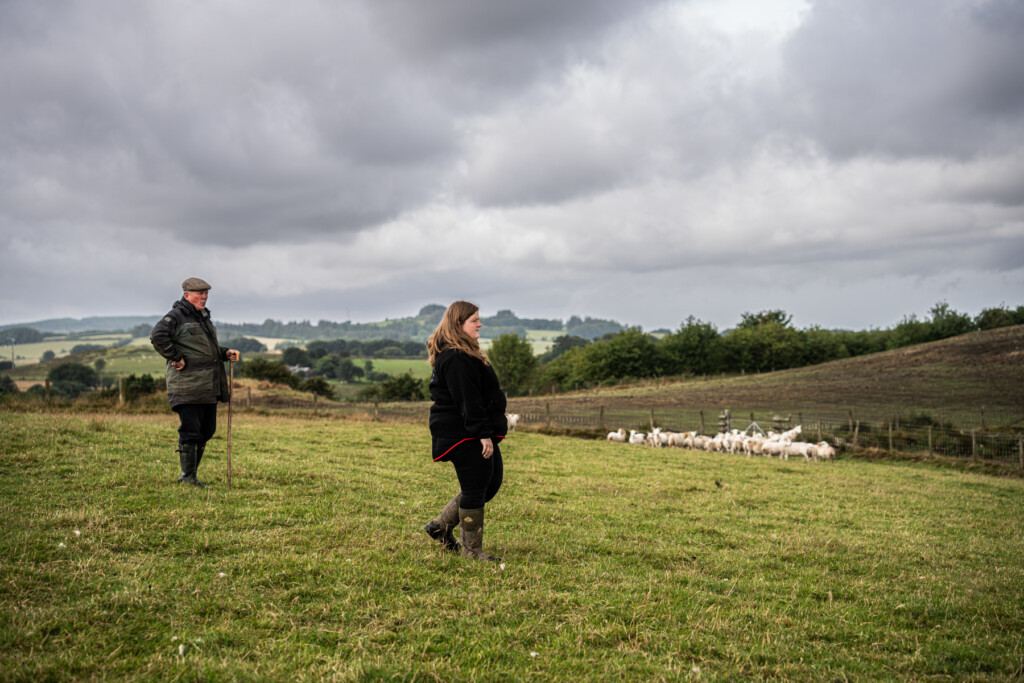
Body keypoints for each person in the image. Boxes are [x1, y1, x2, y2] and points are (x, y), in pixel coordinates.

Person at [423, 301, 508, 561]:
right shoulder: (456, 357)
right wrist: (482, 433)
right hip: (463, 433)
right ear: (458, 324)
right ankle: (472, 551)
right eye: (474, 320)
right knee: (475, 488)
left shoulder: (463, 353)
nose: (480, 324)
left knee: (489, 484)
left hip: (472, 431)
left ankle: (440, 527)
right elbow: (467, 400)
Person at [150, 278, 240, 487]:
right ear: (186, 294)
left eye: (206, 293)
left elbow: (205, 350)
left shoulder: (203, 318)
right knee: (191, 430)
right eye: (199, 293)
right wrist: (175, 356)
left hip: (208, 386)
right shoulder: (176, 316)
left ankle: (191, 475)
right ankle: (187, 477)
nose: (204, 297)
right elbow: (157, 336)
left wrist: (225, 353)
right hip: (187, 385)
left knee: (207, 430)